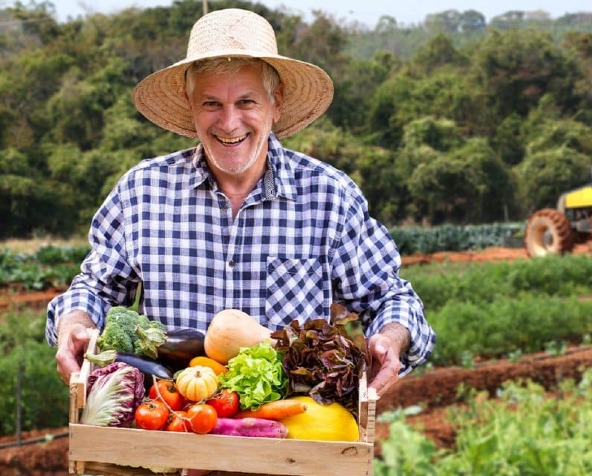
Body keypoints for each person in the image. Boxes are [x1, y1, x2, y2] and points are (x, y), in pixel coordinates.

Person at [46, 8, 435, 397]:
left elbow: (389, 296)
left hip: (292, 440)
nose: (229, 123)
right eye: (211, 103)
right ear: (190, 104)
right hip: (169, 431)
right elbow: (94, 290)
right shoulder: (142, 191)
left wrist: (390, 337)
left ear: (276, 103)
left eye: (246, 102)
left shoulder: (329, 196)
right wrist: (73, 324)